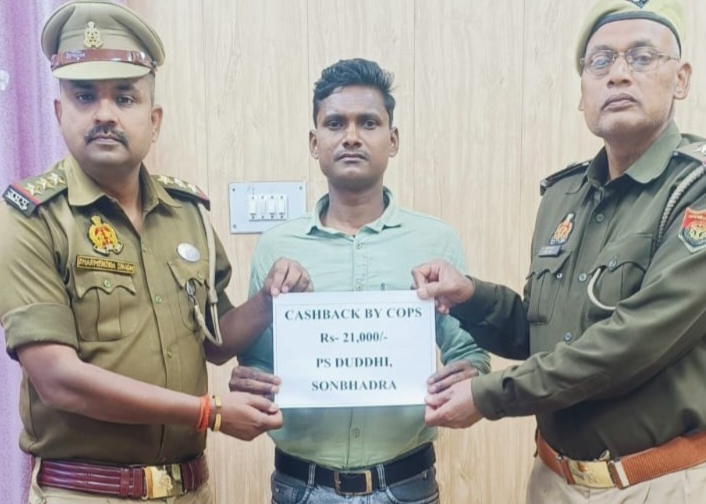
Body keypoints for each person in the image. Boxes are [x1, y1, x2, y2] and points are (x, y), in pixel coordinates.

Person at [0, 1, 311, 502]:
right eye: (84, 96)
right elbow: (58, 379)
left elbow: (214, 341)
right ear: (59, 112)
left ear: (154, 119)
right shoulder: (30, 219)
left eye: (124, 97)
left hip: (191, 489)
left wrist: (268, 302)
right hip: (87, 493)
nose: (104, 114)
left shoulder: (187, 212)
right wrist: (209, 413)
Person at [412, 0, 706, 502]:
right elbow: (544, 336)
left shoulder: (694, 189)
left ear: (680, 80)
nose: (617, 74)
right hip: (552, 481)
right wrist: (471, 298)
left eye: (641, 57)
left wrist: (488, 395)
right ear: (582, 91)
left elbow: (629, 344)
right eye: (600, 61)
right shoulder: (562, 196)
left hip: (657, 485)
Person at [228, 58, 490, 503]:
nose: (351, 136)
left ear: (393, 139)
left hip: (406, 486)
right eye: (335, 123)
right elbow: (258, 362)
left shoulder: (436, 241)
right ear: (315, 143)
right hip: (301, 488)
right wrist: (252, 384)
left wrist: (472, 377)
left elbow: (467, 351)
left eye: (368, 122)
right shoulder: (275, 247)